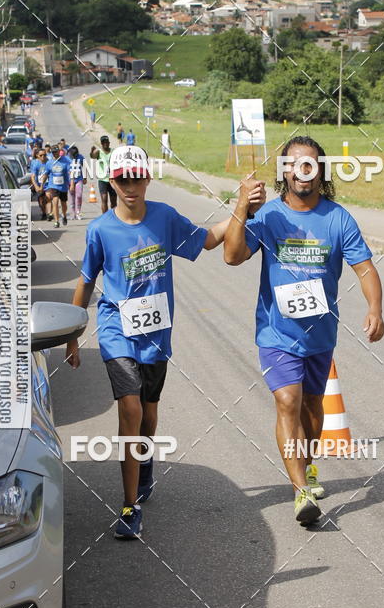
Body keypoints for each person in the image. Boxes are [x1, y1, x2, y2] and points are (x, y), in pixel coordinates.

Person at [66, 144, 265, 540]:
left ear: (147, 178)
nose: (130, 186)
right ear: (112, 181)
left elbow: (207, 240)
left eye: (137, 178)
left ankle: (145, 463)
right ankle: (128, 506)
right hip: (115, 329)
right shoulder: (100, 229)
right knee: (130, 409)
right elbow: (87, 281)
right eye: (122, 179)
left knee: (149, 417)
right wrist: (73, 335)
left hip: (156, 334)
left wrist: (241, 207)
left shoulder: (163, 217)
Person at [223, 135, 384, 528]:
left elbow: (363, 267)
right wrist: (243, 204)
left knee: (313, 410)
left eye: (310, 164)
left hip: (319, 335)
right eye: (294, 165)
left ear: (321, 172)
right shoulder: (269, 216)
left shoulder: (337, 218)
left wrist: (375, 308)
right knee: (287, 401)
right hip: (276, 333)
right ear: (284, 172)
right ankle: (300, 492)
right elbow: (231, 255)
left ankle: (307, 467)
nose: (302, 171)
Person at [42, 144, 70, 228]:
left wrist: (71, 183)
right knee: (55, 201)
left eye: (56, 152)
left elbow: (69, 172)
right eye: (53, 152)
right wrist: (41, 185)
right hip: (53, 186)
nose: (55, 154)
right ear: (51, 153)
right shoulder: (49, 163)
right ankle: (57, 221)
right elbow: (46, 175)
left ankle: (64, 215)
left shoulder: (65, 161)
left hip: (63, 186)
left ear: (59, 152)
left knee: (63, 204)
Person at [90, 135, 117, 213]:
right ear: (101, 144)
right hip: (102, 179)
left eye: (106, 142)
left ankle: (113, 218)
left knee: (113, 202)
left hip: (113, 179)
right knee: (104, 199)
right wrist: (92, 152)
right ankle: (105, 218)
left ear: (109, 143)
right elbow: (92, 156)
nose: (105, 144)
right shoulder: (99, 152)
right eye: (103, 142)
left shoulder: (113, 151)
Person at [68, 144, 87, 220]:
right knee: (72, 197)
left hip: (79, 179)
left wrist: (85, 177)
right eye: (73, 155)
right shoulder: (67, 158)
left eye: (76, 154)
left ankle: (78, 212)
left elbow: (84, 166)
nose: (74, 156)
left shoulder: (80, 157)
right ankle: (73, 213)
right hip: (69, 180)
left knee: (78, 196)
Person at [30, 148, 49, 220]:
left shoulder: (49, 162)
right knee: (41, 201)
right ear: (37, 156)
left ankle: (50, 213)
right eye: (41, 155)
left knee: (49, 198)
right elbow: (33, 176)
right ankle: (44, 213)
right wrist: (36, 186)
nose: (43, 157)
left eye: (44, 155)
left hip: (48, 185)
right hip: (39, 184)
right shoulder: (36, 164)